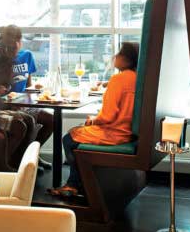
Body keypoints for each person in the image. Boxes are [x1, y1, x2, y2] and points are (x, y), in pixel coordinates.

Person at [52, 42, 139, 199]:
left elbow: (107, 117)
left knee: (69, 138)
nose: (115, 56)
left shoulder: (118, 79)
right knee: (77, 131)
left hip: (114, 134)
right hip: (128, 133)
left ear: (126, 59)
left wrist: (93, 120)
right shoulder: (137, 78)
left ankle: (74, 184)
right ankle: (83, 182)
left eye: (119, 53)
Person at [0, 25, 53, 165]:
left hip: (24, 104)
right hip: (5, 106)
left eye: (18, 39)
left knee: (51, 119)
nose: (16, 43)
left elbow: (28, 85)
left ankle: (32, 155)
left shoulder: (27, 56)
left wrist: (37, 92)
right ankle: (18, 161)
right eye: (12, 40)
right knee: (26, 121)